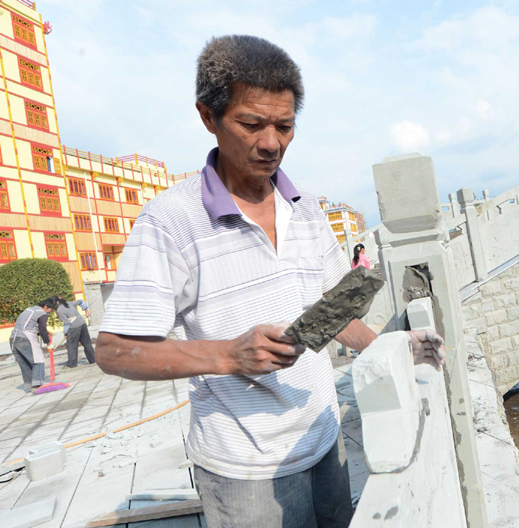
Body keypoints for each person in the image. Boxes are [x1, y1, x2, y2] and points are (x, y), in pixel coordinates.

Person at [95, 35, 445, 528]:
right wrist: (227, 355)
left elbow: (330, 313)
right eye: (252, 124)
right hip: (245, 471)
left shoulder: (304, 208)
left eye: (285, 126)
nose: (271, 143)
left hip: (324, 440)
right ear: (207, 117)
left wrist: (393, 346)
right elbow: (112, 351)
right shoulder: (170, 221)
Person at [9, 298, 55, 391]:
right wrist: (49, 343)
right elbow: (42, 328)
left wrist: (45, 332)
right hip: (25, 338)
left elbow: (29, 325)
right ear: (45, 306)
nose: (51, 312)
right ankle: (37, 385)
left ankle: (28, 385)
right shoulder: (42, 313)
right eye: (51, 309)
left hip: (13, 339)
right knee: (38, 361)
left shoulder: (30, 309)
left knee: (25, 363)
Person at [55, 296, 95, 368]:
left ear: (57, 302)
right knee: (87, 343)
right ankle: (93, 359)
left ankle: (72, 364)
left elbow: (67, 323)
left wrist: (66, 333)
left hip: (74, 327)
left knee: (71, 346)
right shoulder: (69, 303)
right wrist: (86, 310)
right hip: (82, 323)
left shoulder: (59, 310)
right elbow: (81, 301)